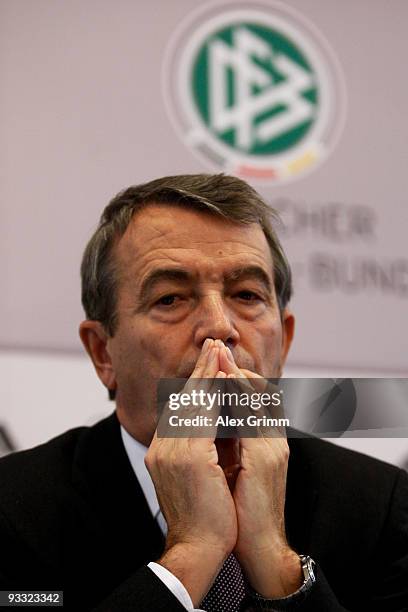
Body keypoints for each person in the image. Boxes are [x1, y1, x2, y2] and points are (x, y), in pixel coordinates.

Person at [0, 174, 407, 612]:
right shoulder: (12, 509)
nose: (220, 327)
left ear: (284, 342)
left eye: (247, 294)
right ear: (103, 353)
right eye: (171, 299)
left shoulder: (383, 508)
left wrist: (275, 560)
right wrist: (191, 555)